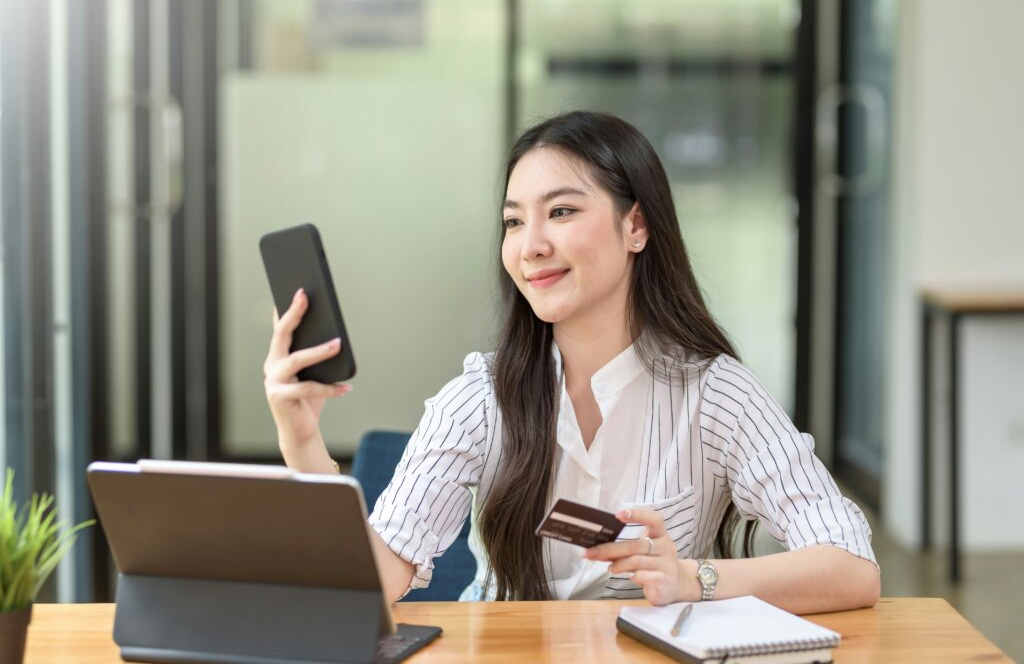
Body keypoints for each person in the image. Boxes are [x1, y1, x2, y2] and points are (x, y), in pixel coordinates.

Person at [263, 111, 880, 613]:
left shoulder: (717, 394)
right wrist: (302, 438)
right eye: (513, 221)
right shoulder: (480, 396)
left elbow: (852, 567)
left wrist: (692, 578)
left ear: (636, 226)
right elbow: (374, 580)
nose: (530, 246)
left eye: (561, 211)